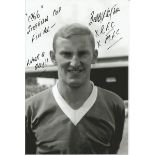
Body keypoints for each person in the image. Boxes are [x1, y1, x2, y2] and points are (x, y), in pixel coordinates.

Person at [25, 23, 125, 154]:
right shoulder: (31, 109)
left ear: (94, 56)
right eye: (66, 54)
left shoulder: (114, 105)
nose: (75, 62)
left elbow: (113, 149)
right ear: (53, 57)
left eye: (82, 53)